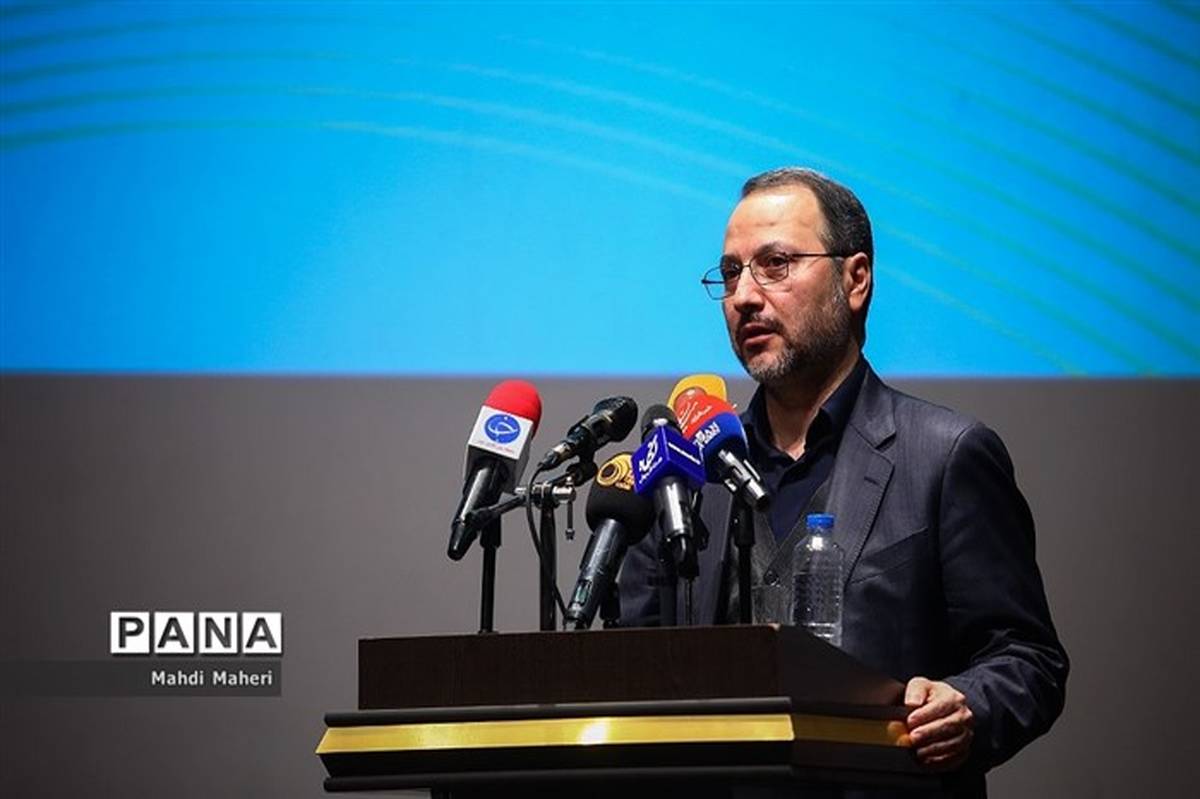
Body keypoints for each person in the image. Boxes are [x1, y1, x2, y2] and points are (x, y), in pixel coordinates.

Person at [618, 167, 1068, 797]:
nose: (744, 295)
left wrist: (967, 704)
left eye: (775, 264)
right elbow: (630, 667)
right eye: (730, 272)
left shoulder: (946, 456)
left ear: (855, 280)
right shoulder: (683, 474)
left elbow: (1028, 659)